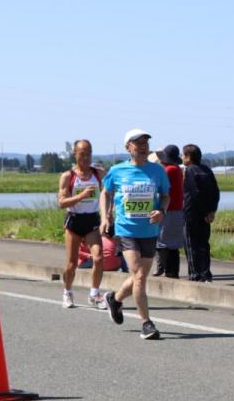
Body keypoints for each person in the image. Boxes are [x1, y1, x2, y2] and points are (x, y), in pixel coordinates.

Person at [100, 128, 170, 340]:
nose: (142, 146)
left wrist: (162, 211)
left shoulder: (158, 172)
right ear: (127, 147)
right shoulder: (117, 171)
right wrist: (105, 217)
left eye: (145, 143)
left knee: (139, 277)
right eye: (137, 143)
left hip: (149, 230)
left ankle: (115, 298)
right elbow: (105, 193)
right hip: (126, 230)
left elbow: (166, 196)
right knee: (139, 276)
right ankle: (146, 323)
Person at [56, 140, 106, 308]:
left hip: (92, 219)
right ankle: (67, 292)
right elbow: (61, 203)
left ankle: (94, 293)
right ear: (75, 154)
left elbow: (110, 192)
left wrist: (109, 212)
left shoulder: (98, 174)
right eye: (82, 153)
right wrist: (81, 196)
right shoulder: (68, 176)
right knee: (71, 263)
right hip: (74, 220)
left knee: (99, 258)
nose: (86, 157)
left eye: (89, 153)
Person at [182, 143, 220, 282]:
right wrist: (211, 211)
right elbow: (216, 191)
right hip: (206, 215)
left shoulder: (190, 170)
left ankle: (195, 275)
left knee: (191, 245)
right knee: (203, 244)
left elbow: (195, 193)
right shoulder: (207, 170)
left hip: (191, 213)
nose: (182, 158)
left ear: (188, 157)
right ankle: (206, 274)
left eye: (183, 155)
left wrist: (205, 211)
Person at [152, 144, 185, 279]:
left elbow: (158, 186)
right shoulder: (176, 168)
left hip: (169, 210)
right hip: (176, 210)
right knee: (171, 243)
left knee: (163, 241)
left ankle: (164, 268)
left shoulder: (169, 170)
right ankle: (171, 271)